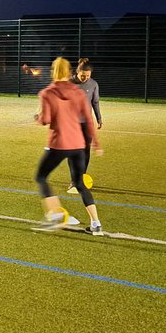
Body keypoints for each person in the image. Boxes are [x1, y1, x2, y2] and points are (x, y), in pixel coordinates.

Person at [33, 56, 104, 234]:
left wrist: (38, 117)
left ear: (53, 72)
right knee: (80, 183)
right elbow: (88, 120)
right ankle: (96, 224)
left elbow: (46, 120)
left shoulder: (47, 93)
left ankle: (56, 215)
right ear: (71, 72)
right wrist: (96, 143)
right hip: (78, 144)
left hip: (59, 143)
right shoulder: (78, 92)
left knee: (41, 177)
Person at [67, 58, 103, 194]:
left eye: (88, 76)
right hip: (71, 123)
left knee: (85, 150)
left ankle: (81, 177)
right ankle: (73, 180)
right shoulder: (69, 83)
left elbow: (95, 102)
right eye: (83, 75)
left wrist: (99, 118)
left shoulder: (93, 84)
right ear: (77, 72)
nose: (85, 78)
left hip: (87, 123)